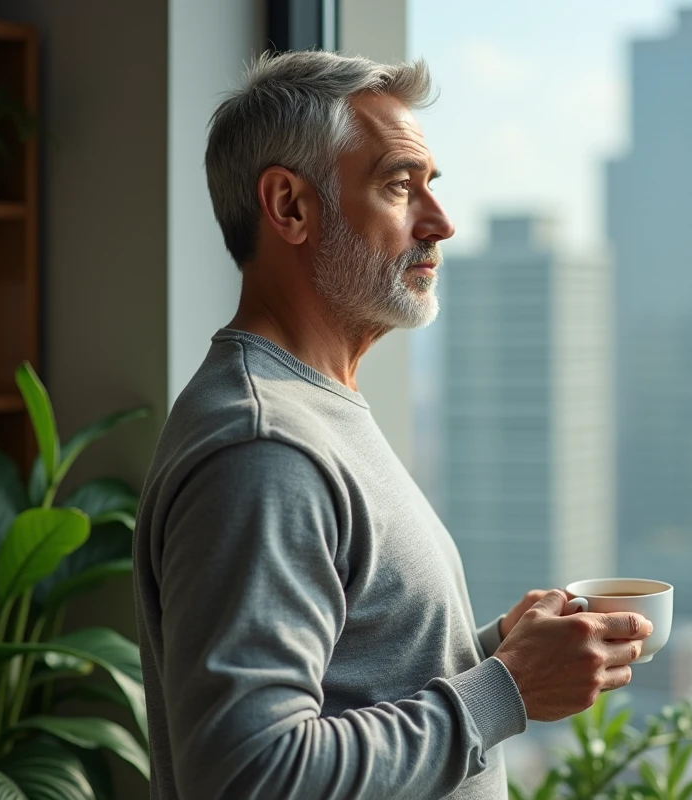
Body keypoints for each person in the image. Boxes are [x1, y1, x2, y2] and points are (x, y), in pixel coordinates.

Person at [132, 50, 652, 800]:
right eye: (399, 186)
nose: (439, 222)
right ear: (289, 207)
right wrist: (503, 690)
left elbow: (351, 685)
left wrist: (493, 657)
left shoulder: (311, 410)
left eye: (429, 188)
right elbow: (250, 775)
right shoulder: (264, 447)